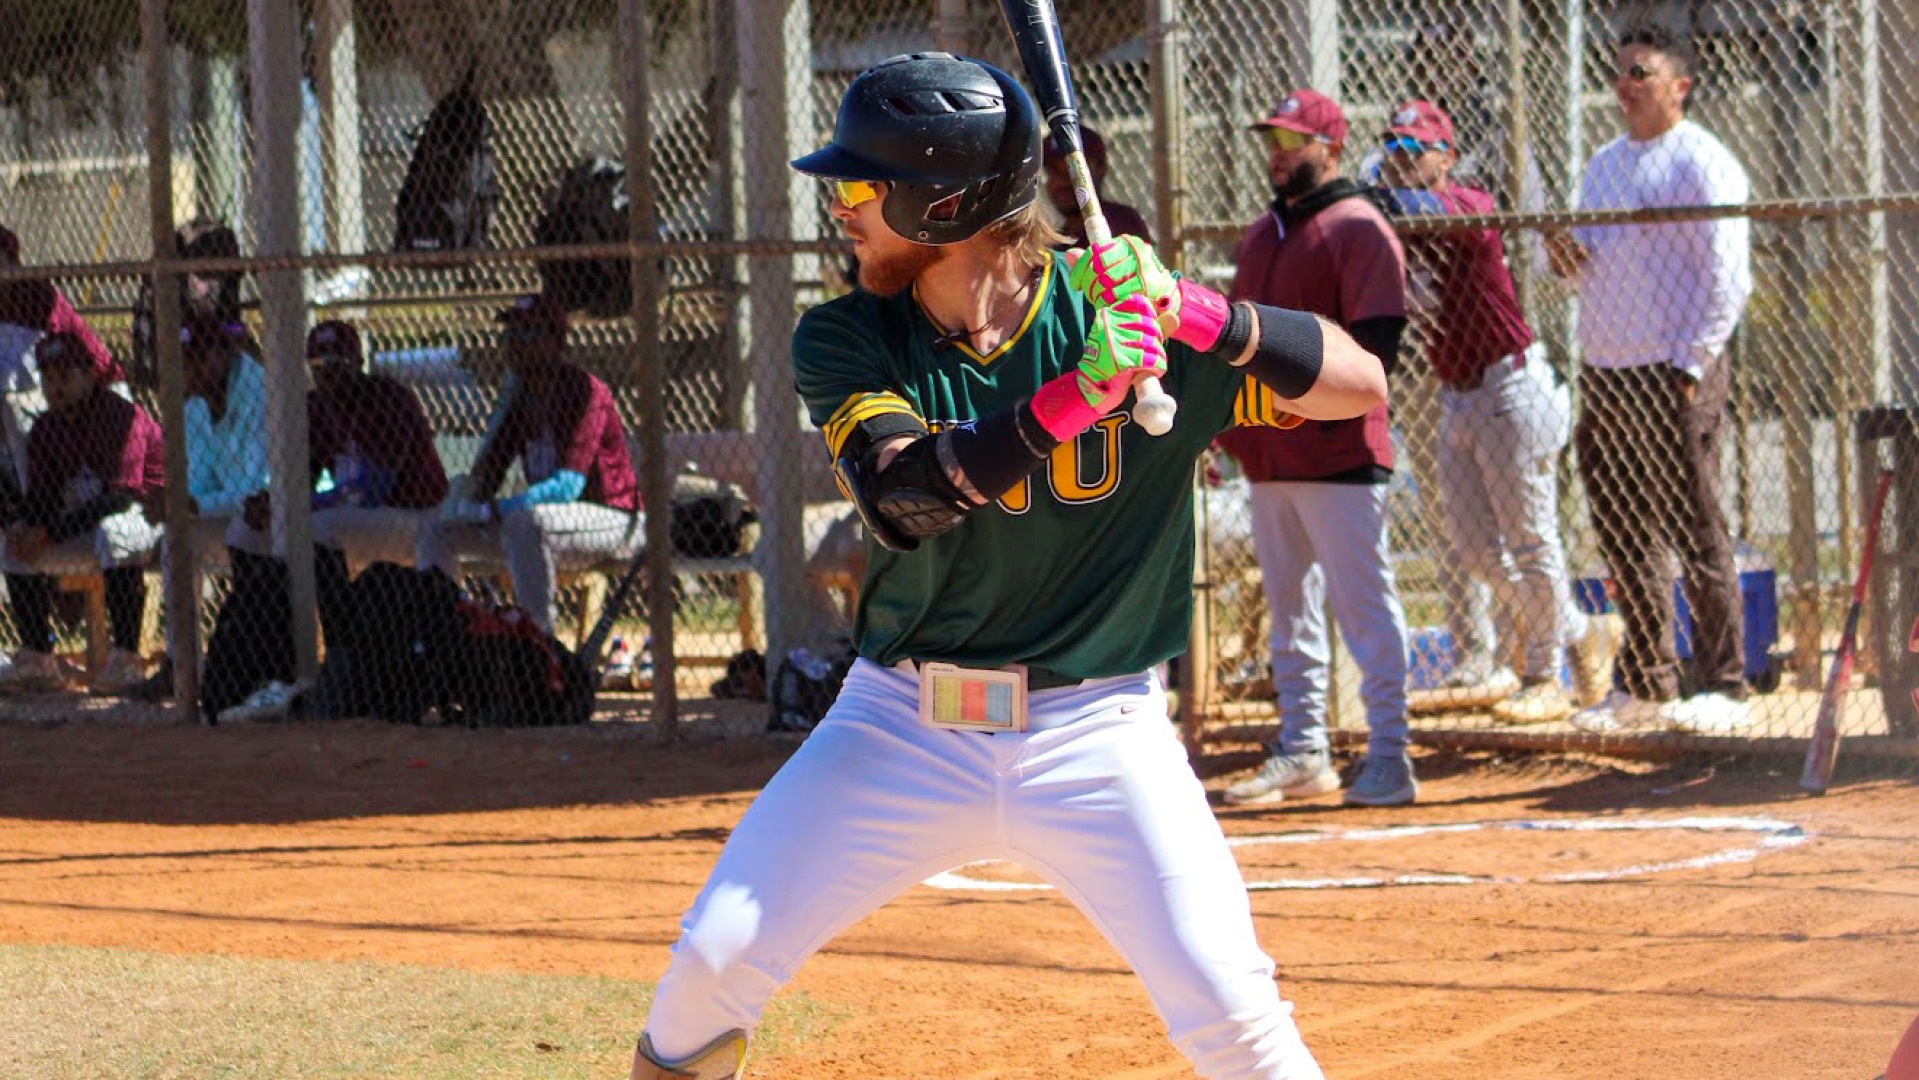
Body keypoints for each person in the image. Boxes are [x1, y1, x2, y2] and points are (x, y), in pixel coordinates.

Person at [630, 51, 1387, 1080]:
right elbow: (906, 499)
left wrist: (1195, 316)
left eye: (861, 188)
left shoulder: (1112, 307)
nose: (839, 210)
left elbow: (1358, 386)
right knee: (708, 967)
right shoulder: (849, 338)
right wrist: (1077, 396)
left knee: (1231, 1013)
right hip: (899, 723)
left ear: (943, 206)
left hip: (1099, 729)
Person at [1376, 99, 1619, 724]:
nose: (1400, 160)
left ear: (1445, 159)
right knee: (1476, 551)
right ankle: (1578, 627)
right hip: (1456, 395)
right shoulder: (1394, 232)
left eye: (1414, 149)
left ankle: (1543, 674)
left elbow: (1415, 209)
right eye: (1392, 149)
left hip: (1512, 388)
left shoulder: (1470, 204)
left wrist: (1363, 200)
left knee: (1532, 541)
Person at [1546, 22, 1754, 734]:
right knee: (1624, 529)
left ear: (1679, 85)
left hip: (1672, 367)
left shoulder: (1702, 161)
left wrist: (1692, 365)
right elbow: (1581, 265)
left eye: (1642, 71)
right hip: (1604, 367)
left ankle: (1724, 683)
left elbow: (1727, 277)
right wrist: (1560, 252)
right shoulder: (1603, 163)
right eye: (1620, 73)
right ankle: (1647, 684)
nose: (1626, 85)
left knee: (1694, 526)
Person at [1213, 89, 1417, 808]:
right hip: (1268, 457)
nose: (1275, 154)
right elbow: (1230, 349)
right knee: (1287, 614)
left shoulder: (1357, 228)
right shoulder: (1260, 234)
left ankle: (1390, 752)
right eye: (1270, 141)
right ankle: (1302, 749)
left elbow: (1375, 356)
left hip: (1337, 458)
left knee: (1365, 609)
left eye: (1290, 141)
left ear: (1329, 149)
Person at [415, 293, 641, 635]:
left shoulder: (583, 389)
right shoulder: (519, 395)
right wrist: (467, 497)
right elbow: (489, 472)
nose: (514, 346)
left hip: (610, 519)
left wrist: (498, 509)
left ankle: (538, 640)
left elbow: (568, 487)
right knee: (437, 530)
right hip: (542, 525)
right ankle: (444, 634)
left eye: (527, 335)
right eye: (509, 336)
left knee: (524, 524)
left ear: (556, 341)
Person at [229, 320, 448, 641]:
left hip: (416, 517)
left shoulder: (388, 399)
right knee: (244, 530)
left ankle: (340, 645)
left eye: (336, 362)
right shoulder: (315, 407)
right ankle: (265, 643)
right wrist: (272, 502)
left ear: (358, 362)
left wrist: (296, 505)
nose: (327, 372)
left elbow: (372, 491)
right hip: (360, 518)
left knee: (318, 527)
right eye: (317, 364)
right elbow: (300, 481)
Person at [0, 333, 163, 694]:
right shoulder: (46, 427)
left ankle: (127, 659)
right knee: (9, 546)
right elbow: (42, 497)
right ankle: (38, 659)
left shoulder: (123, 417)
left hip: (152, 519)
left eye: (65, 377)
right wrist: (21, 524)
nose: (55, 387)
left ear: (90, 374)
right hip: (86, 525)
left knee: (115, 529)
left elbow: (122, 499)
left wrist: (50, 532)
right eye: (49, 378)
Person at [1042, 125, 1152, 248]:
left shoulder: (1119, 224)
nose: (1061, 182)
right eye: (1053, 172)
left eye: (1072, 171)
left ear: (1101, 167)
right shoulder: (1058, 241)